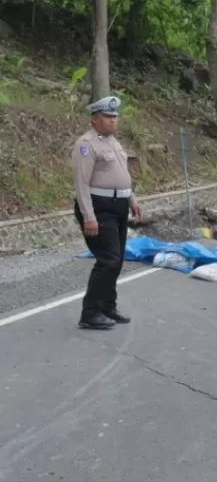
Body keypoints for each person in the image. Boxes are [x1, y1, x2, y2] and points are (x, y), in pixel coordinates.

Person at [72, 95, 142, 330]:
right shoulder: (86, 145)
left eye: (115, 116)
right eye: (107, 116)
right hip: (99, 207)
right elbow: (81, 184)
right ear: (94, 119)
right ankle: (90, 312)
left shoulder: (113, 142)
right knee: (108, 259)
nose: (113, 120)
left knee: (117, 258)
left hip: (119, 205)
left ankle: (107, 307)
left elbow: (121, 174)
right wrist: (89, 216)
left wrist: (131, 199)